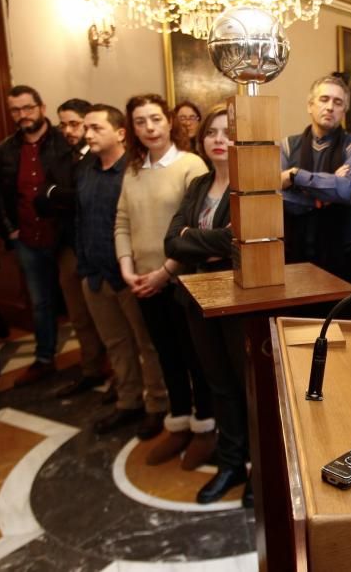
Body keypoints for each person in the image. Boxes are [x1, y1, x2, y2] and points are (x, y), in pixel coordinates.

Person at [115, 94, 215, 469]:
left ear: (170, 121)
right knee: (165, 356)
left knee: (193, 356)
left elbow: (194, 231)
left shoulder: (190, 165)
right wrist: (128, 269)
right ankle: (179, 424)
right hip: (143, 281)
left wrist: (164, 273)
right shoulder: (134, 168)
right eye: (140, 121)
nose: (149, 128)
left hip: (181, 281)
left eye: (155, 119)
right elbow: (122, 221)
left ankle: (205, 427)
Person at [165, 105, 252, 507]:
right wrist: (214, 240)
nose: (219, 139)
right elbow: (171, 242)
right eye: (212, 132)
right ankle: (231, 464)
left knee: (249, 386)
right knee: (218, 385)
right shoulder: (198, 184)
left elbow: (240, 245)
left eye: (228, 132)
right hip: (196, 297)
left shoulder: (252, 185)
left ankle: (260, 471)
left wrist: (194, 238)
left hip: (239, 299)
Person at [78, 105, 167, 438]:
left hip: (131, 275)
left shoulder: (133, 170)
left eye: (96, 128)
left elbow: (133, 222)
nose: (88, 135)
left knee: (147, 345)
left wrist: (131, 265)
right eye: (86, 128)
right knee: (116, 344)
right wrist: (85, 266)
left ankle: (157, 404)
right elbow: (82, 219)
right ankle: (128, 402)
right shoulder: (86, 169)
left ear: (119, 133)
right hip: (95, 273)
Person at [0, 85, 75, 386]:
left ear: (41, 108)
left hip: (64, 236)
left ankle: (95, 357)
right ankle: (45, 358)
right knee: (40, 303)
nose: (22, 115)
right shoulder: (6, 149)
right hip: (27, 238)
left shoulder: (64, 142)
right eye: (15, 110)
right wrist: (9, 230)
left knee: (77, 300)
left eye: (27, 108)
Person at [280, 75, 351, 313]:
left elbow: (348, 191)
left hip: (344, 260)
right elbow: (276, 196)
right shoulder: (287, 146)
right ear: (310, 105)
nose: (330, 106)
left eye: (338, 102)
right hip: (296, 256)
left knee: (346, 335)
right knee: (299, 334)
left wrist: (295, 176)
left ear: (345, 110)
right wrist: (325, 194)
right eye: (324, 99)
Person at [48, 97, 108, 398]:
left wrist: (59, 195)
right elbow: (44, 197)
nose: (68, 131)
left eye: (74, 124)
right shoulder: (61, 157)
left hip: (99, 246)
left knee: (110, 321)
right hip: (69, 244)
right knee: (79, 316)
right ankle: (91, 369)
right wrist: (55, 195)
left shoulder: (99, 158)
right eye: (63, 124)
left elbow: (85, 199)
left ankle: (119, 377)